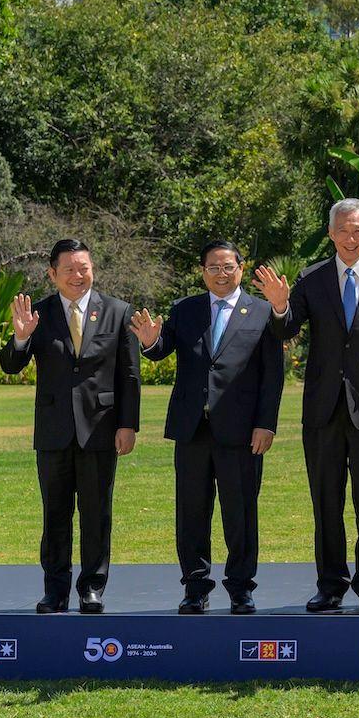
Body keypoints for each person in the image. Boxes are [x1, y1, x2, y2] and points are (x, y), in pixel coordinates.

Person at [253, 198, 359, 613]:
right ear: (330, 234)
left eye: (358, 230)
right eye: (343, 229)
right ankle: (331, 584)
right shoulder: (312, 278)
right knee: (326, 499)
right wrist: (279, 303)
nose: (350, 237)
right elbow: (285, 329)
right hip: (322, 409)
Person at [130, 240, 283, 614]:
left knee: (240, 513)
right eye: (213, 267)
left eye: (228, 267)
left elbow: (273, 376)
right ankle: (195, 587)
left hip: (242, 431)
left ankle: (241, 587)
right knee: (192, 512)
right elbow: (162, 346)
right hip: (192, 428)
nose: (221, 273)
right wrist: (150, 342)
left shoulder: (261, 312)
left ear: (241, 270)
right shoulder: (186, 309)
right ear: (202, 272)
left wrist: (266, 424)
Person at [0, 238, 140, 614]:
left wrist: (128, 425)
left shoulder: (117, 311)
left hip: (101, 429)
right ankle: (55, 590)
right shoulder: (38, 314)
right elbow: (11, 365)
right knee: (55, 514)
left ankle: (92, 587)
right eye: (69, 270)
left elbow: (129, 374)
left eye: (84, 268)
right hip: (54, 431)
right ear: (52, 274)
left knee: (97, 514)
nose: (78, 276)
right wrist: (21, 337)